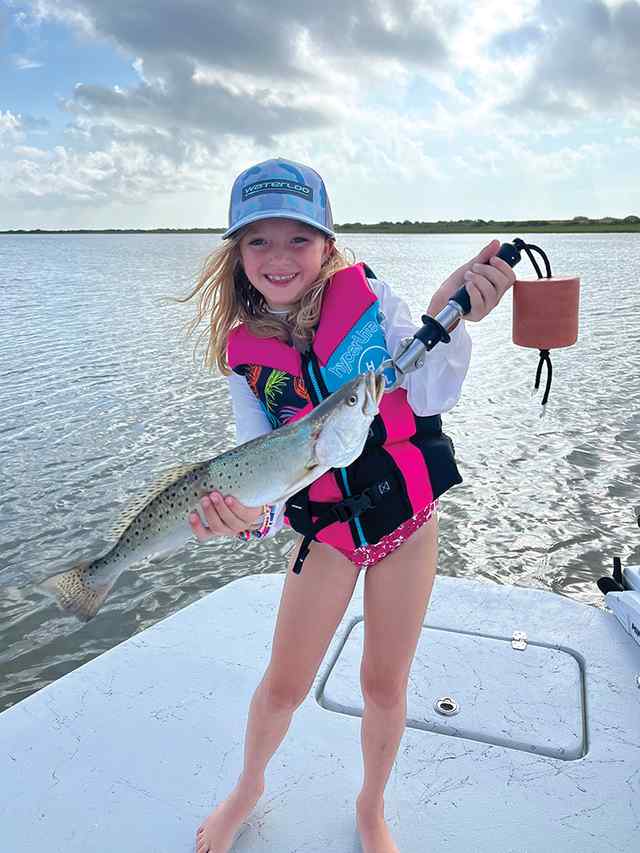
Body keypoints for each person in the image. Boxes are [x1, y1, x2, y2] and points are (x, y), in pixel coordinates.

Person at [182, 158, 515, 853]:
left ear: (329, 246)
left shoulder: (374, 301)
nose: (279, 258)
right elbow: (264, 470)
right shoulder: (246, 360)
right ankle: (248, 785)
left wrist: (454, 316)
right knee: (282, 685)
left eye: (298, 239)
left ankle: (371, 805)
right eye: (258, 241)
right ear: (236, 255)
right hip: (327, 532)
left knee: (383, 684)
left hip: (406, 521)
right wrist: (250, 518)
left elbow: (428, 395)